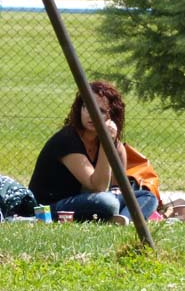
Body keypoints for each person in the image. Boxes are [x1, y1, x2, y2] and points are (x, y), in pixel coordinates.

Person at [28, 81, 158, 224]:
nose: (91, 115)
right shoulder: (67, 140)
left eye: (101, 111)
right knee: (107, 203)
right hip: (50, 207)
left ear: (112, 116)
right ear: (80, 109)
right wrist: (105, 143)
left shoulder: (117, 146)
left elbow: (118, 188)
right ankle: (119, 216)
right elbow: (98, 186)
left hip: (89, 201)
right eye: (86, 107)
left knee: (147, 196)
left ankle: (124, 220)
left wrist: (112, 145)